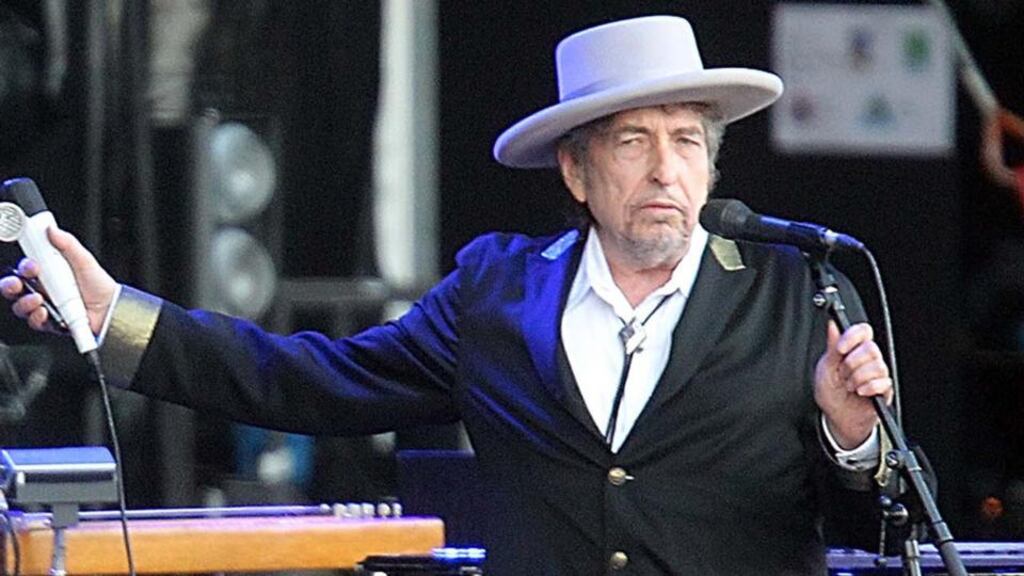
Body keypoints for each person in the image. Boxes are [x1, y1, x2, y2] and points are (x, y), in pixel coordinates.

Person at [2, 15, 893, 575]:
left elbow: (882, 530)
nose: (667, 168)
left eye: (688, 141)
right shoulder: (499, 292)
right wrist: (116, 313)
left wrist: (852, 439)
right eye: (633, 141)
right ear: (577, 171)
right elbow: (310, 380)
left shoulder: (796, 288)